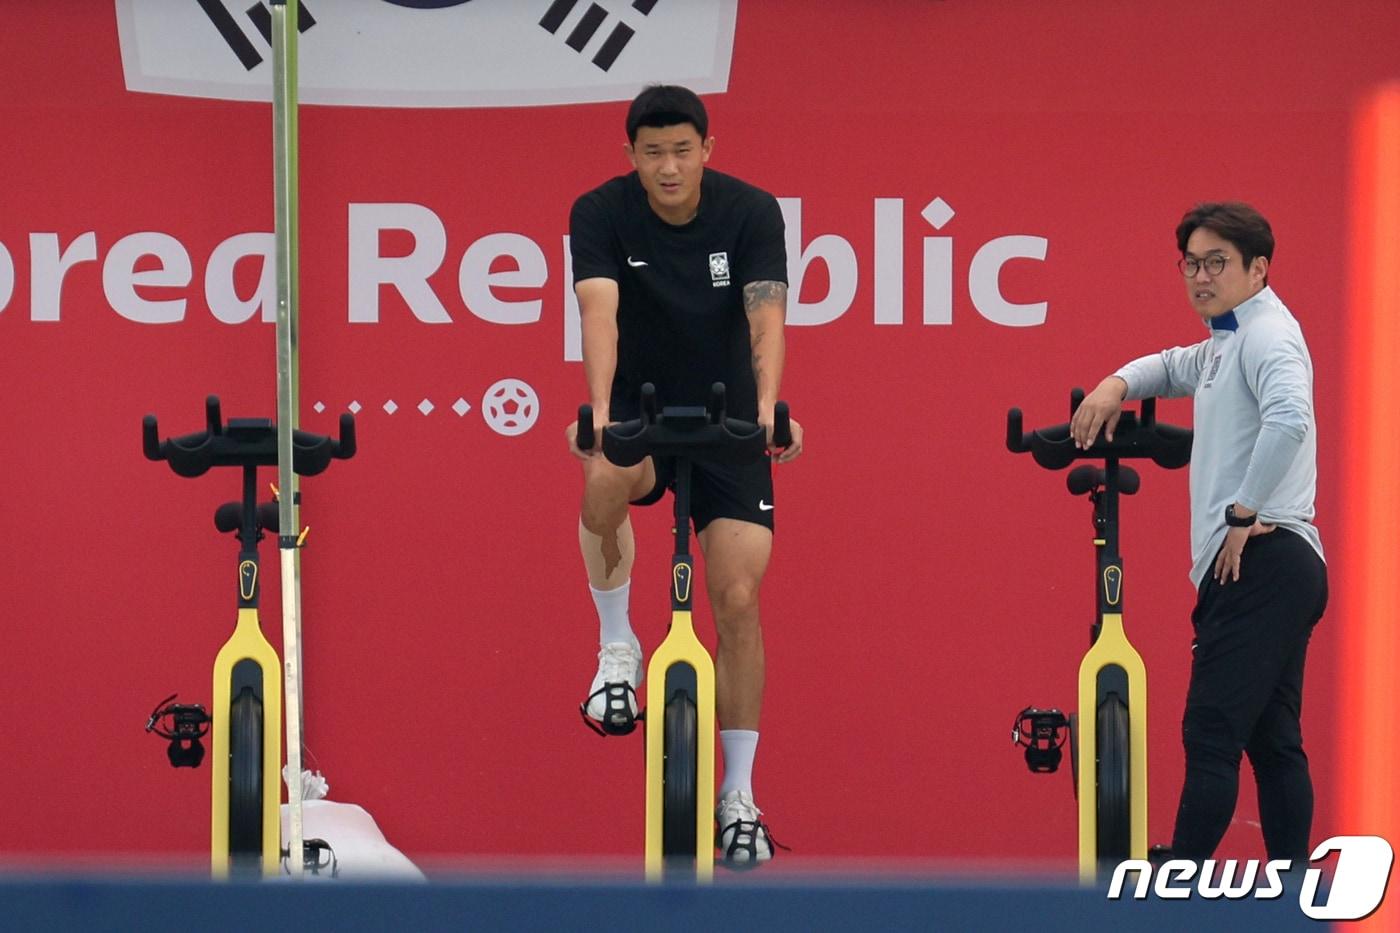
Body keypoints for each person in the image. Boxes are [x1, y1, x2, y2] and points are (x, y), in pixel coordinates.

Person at [564, 84, 804, 867]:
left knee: (736, 597)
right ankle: (616, 647)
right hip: (640, 406)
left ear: (707, 150)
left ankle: (739, 793)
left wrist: (769, 409)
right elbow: (598, 312)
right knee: (604, 479)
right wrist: (599, 409)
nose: (668, 166)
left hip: (728, 415)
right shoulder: (600, 212)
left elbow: (765, 313)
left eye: (682, 150)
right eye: (652, 152)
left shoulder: (751, 212)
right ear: (630, 156)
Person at [1070, 202, 1327, 863]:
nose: (1201, 276)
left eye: (1217, 262)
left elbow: (1291, 419)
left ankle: (1177, 882)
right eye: (1191, 262)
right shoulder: (1230, 335)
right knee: (1272, 742)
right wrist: (1116, 382)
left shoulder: (1270, 334)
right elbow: (1176, 364)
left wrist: (1242, 511)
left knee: (1210, 732)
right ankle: (1290, 894)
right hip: (1277, 566)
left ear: (1258, 269)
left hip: (1261, 559)